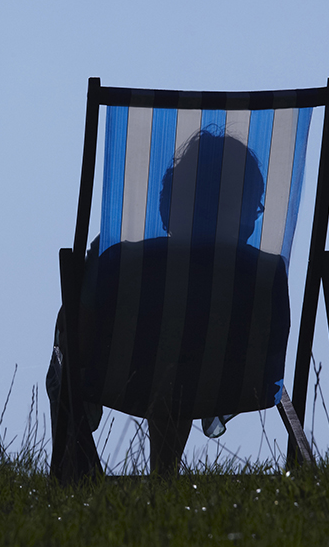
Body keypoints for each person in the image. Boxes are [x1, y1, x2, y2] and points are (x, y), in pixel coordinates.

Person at [47, 130, 290, 477]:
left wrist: (85, 282)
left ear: (171, 203)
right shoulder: (267, 274)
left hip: (126, 377)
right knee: (184, 362)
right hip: (233, 383)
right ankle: (164, 475)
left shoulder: (118, 260)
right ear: (245, 208)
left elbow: (78, 344)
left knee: (72, 342)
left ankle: (77, 468)